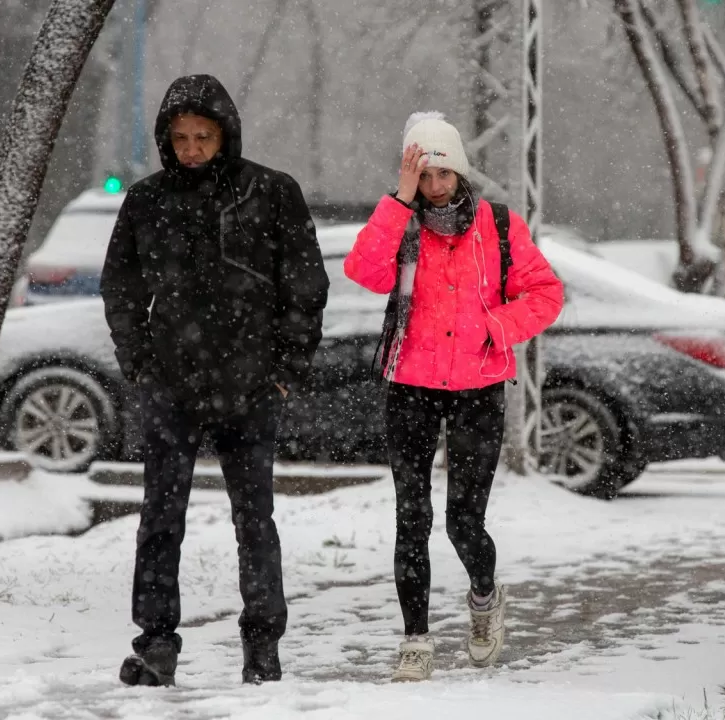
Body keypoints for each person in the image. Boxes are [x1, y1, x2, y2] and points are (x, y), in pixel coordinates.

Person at [101, 74, 329, 687]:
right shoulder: (146, 201)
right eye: (180, 138)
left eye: (204, 135)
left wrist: (286, 371)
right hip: (172, 385)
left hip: (253, 385)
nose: (193, 148)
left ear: (225, 133)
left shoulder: (271, 192)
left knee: (254, 517)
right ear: (165, 140)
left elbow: (304, 287)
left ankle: (263, 645)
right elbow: (121, 287)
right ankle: (154, 644)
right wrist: (141, 366)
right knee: (160, 516)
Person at [344, 111, 564, 682]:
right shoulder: (403, 225)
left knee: (464, 522)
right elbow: (363, 271)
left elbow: (546, 293)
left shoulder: (497, 224)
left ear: (460, 171)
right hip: (410, 386)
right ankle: (416, 639)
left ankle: (485, 599)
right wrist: (399, 198)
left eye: (443, 173)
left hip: (478, 388)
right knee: (410, 518)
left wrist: (497, 328)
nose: (435, 186)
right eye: (425, 174)